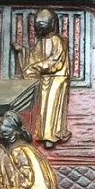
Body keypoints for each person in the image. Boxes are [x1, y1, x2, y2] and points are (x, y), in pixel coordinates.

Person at [14, 9, 71, 148]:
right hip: (43, 79)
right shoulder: (40, 43)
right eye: (38, 25)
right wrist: (22, 51)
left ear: (52, 24)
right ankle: (41, 134)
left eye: (43, 24)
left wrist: (37, 67)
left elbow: (56, 61)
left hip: (56, 79)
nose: (40, 28)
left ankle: (52, 136)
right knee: (42, 108)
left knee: (52, 106)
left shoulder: (57, 41)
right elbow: (33, 57)